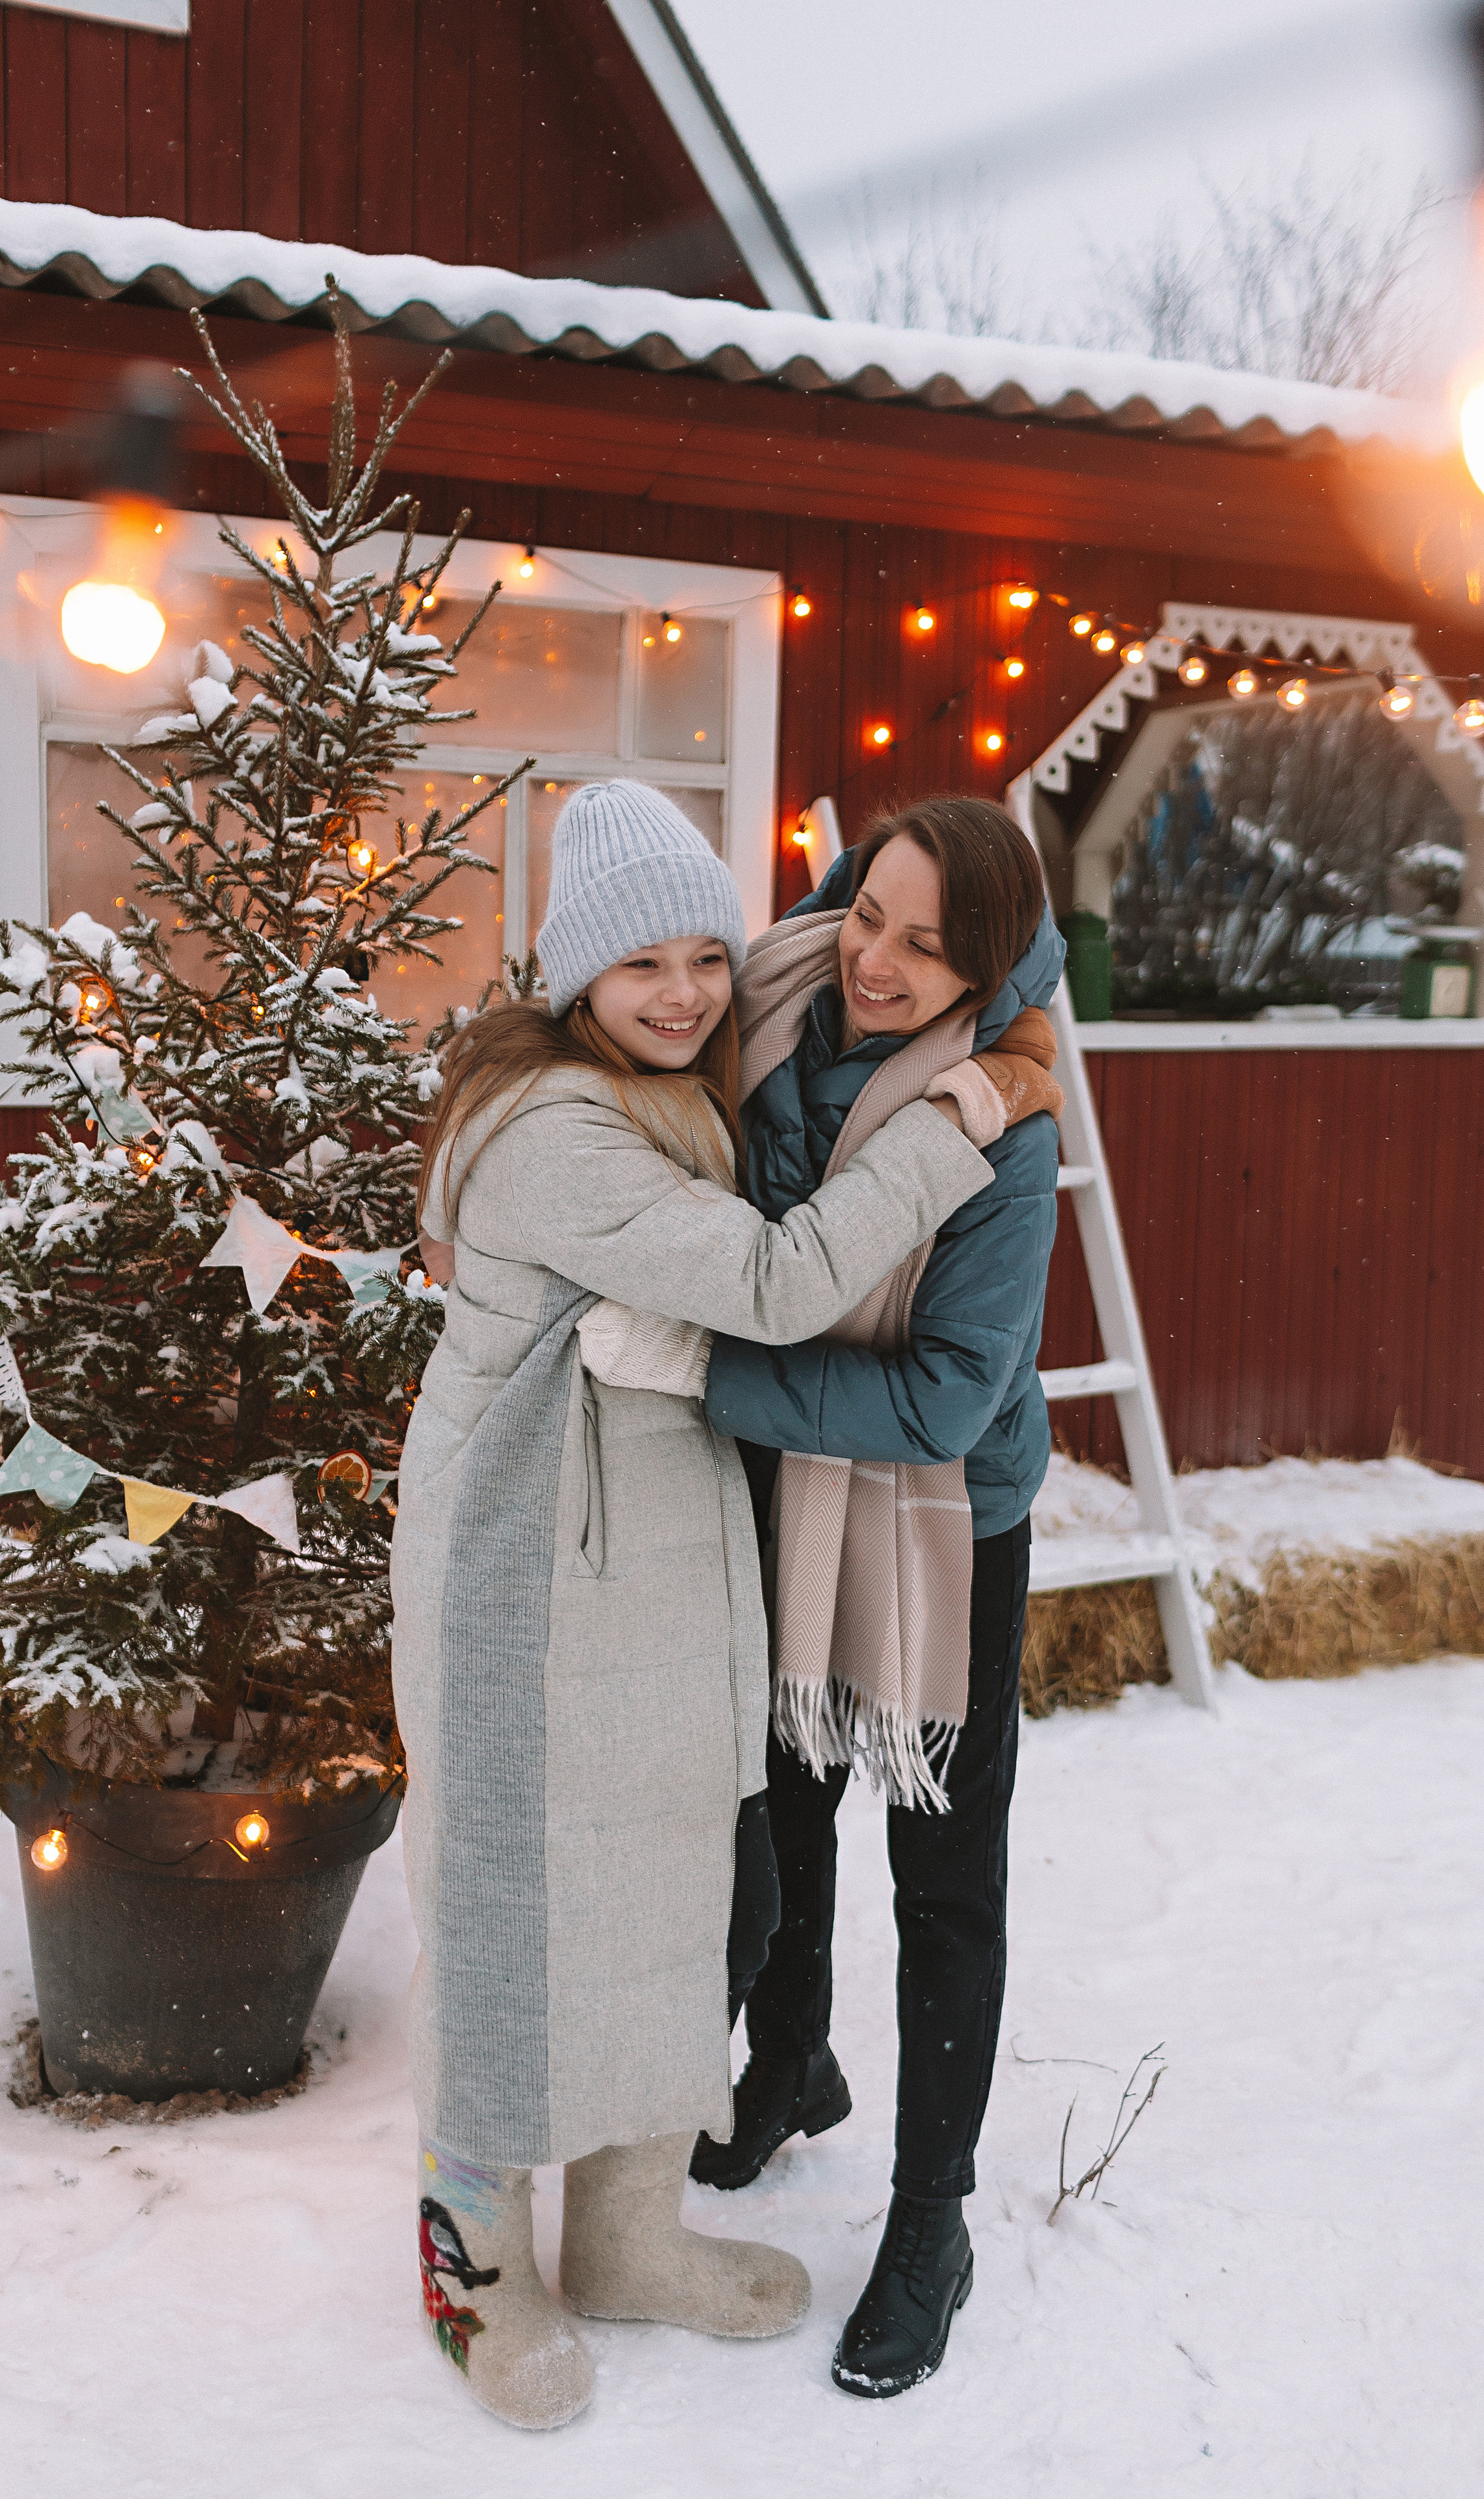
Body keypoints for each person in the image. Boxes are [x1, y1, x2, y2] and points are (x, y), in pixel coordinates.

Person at [391, 781, 1052, 2432]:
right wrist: (939, 1127)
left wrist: (709, 1369)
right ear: (574, 978)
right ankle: (470, 2258)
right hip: (536, 1554)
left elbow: (917, 1382)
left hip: (798, 1534)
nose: (691, 988)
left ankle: (649, 2231)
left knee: (681, 1882)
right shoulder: (573, 1114)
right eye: (643, 966)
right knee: (510, 1891)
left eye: (705, 950)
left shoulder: (710, 1075)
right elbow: (770, 1278)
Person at [689, 796, 1066, 2403]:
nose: (878, 964)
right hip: (786, 1489)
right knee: (778, 1804)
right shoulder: (767, 1003)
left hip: (934, 1527)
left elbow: (940, 1404)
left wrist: (714, 1374)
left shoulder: (1005, 1126)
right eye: (868, 918)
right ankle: (790, 2058)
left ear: (983, 970)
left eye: (927, 947)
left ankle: (931, 2221)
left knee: (940, 1871)